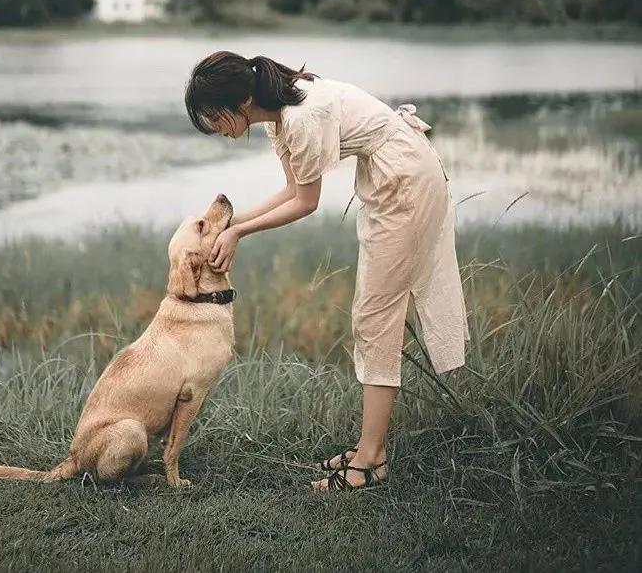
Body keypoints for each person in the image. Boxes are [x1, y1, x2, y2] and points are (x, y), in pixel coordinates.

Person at [184, 51, 470, 492]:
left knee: (376, 317)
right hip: (393, 173)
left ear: (241, 101)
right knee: (372, 315)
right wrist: (235, 225)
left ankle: (370, 462)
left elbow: (306, 202)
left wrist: (239, 234)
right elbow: (292, 189)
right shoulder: (280, 118)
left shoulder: (300, 118)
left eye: (215, 118)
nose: (218, 130)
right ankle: (369, 450)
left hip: (405, 182)